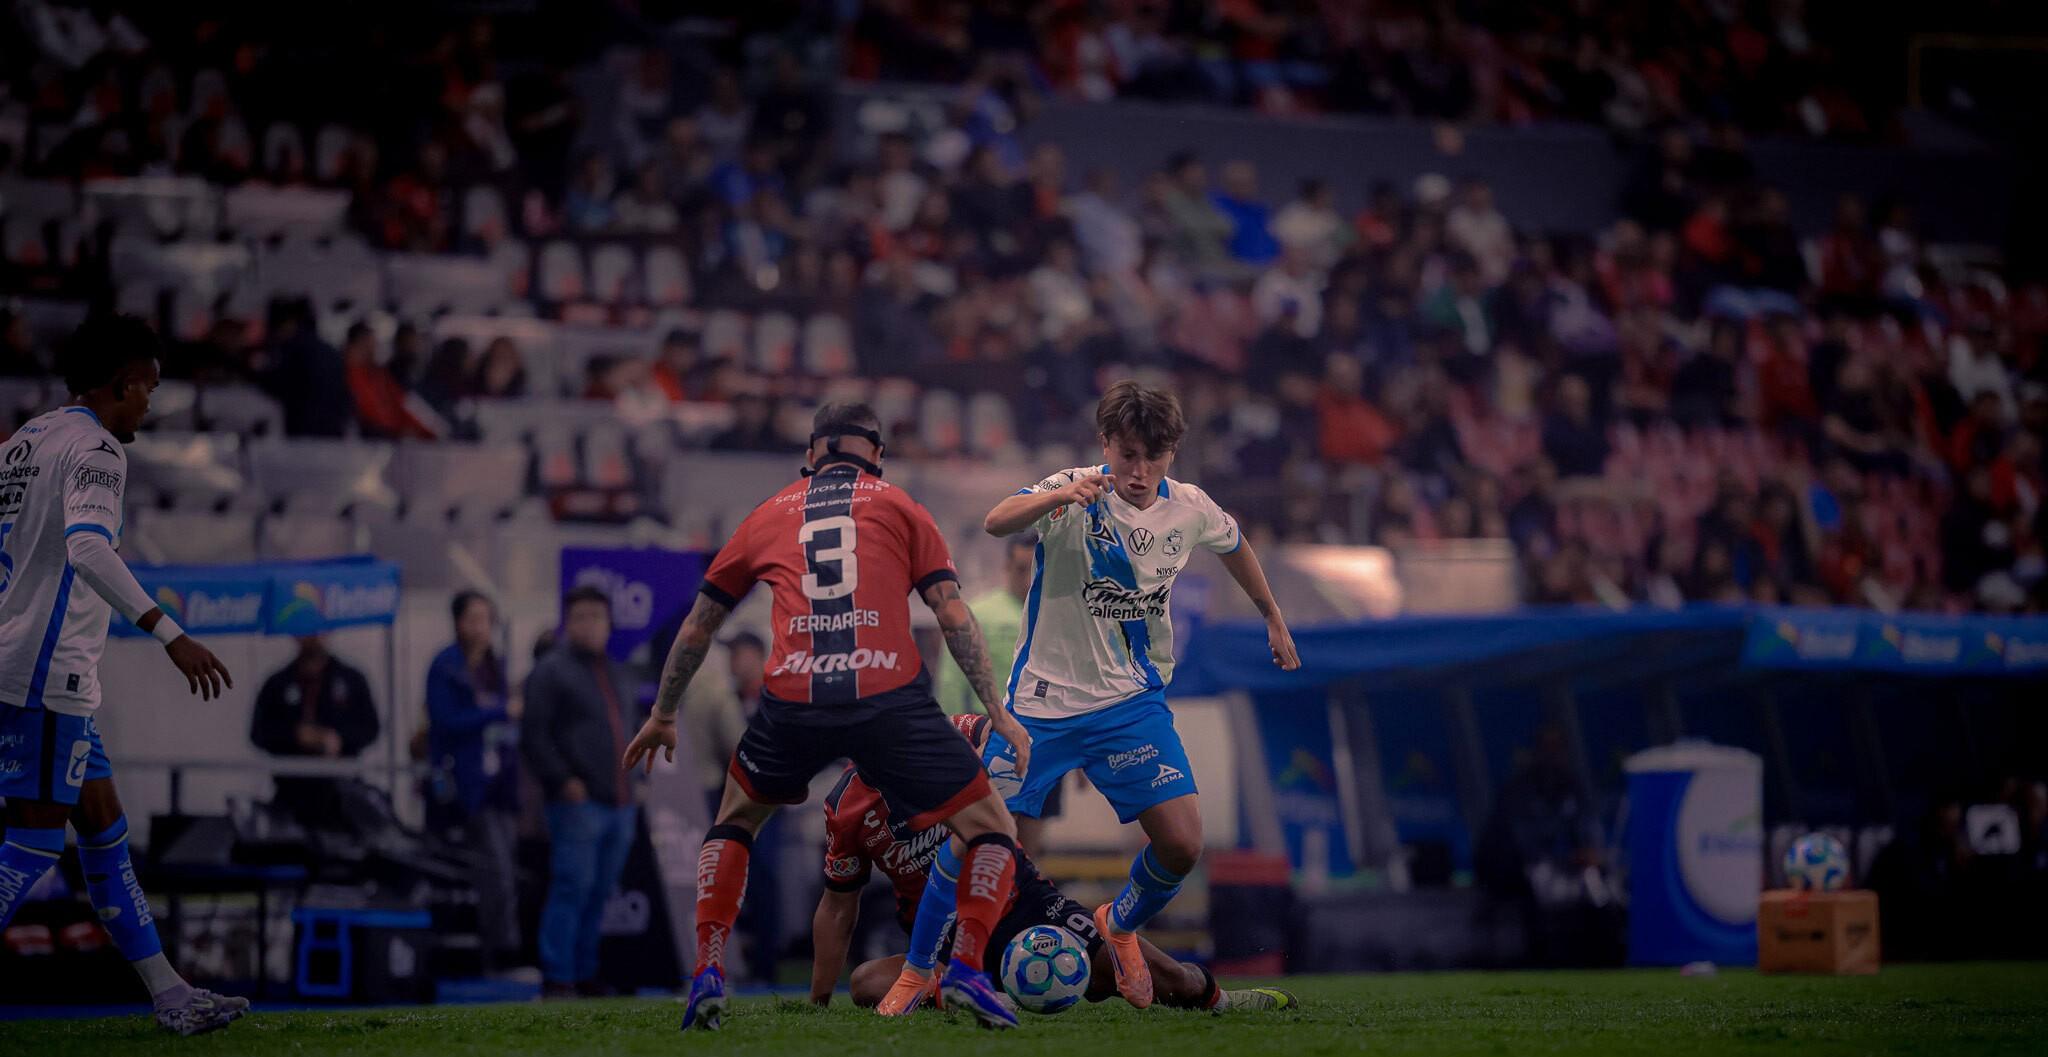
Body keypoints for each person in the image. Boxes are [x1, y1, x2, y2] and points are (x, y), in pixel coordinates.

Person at [621, 403, 1036, 1030]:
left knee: (734, 821)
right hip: (890, 696)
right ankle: (969, 974)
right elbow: (952, 614)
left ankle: (707, 971)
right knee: (992, 829)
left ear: (812, 455)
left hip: (793, 699)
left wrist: (663, 712)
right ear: (876, 455)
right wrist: (996, 710)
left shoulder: (767, 513)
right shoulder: (901, 506)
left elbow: (700, 625)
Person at [977, 380, 1300, 1008]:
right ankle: (945, 972)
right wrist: (1059, 496)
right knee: (989, 849)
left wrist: (1272, 615)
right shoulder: (1075, 488)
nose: (1139, 471)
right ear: (1106, 446)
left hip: (1129, 704)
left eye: (1153, 458)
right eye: (1127, 455)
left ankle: (1117, 925)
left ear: (1172, 453)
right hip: (1041, 707)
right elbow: (995, 522)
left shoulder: (1192, 507)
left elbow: (1235, 546)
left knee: (1182, 843)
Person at [0, 314, 246, 1035]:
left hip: (37, 666)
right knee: (35, 844)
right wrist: (171, 634)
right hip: (46, 675)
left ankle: (171, 996)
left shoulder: (24, 441)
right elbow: (89, 548)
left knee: (104, 831)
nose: (150, 403)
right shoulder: (98, 449)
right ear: (124, 381)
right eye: (150, 387)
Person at [813, 713, 1298, 1015]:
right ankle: (972, 991)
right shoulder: (843, 807)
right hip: (938, 938)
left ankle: (1218, 999)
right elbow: (839, 907)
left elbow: (1001, 729)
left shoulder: (941, 738)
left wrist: (1069, 752)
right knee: (866, 982)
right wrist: (817, 1001)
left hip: (1025, 905)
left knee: (1161, 981)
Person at [521, 586, 642, 999]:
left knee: (599, 892)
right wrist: (562, 781)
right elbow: (533, 736)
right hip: (578, 802)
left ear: (609, 623)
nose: (590, 624)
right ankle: (557, 976)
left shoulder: (617, 671)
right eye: (581, 616)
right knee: (571, 888)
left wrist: (635, 784)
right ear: (567, 622)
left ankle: (585, 971)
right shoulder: (551, 671)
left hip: (619, 803)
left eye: (597, 616)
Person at [424, 590, 521, 971]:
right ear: (458, 622)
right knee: (494, 871)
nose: (481, 627)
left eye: (486, 618)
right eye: (473, 618)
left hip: (500, 784)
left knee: (505, 870)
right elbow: (445, 721)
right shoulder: (445, 666)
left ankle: (497, 951)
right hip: (463, 785)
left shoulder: (495, 666)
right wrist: (498, 712)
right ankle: (501, 954)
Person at [247, 634, 382, 829]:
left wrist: (339, 739)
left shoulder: (351, 679)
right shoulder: (277, 683)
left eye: (319, 630)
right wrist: (295, 736)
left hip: (342, 795)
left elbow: (370, 729)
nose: (314, 637)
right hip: (291, 794)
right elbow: (259, 733)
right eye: (306, 631)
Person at [934, 535, 1035, 717]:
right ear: (1008, 566)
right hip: (990, 723)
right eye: (1021, 570)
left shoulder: (1056, 617)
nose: (1028, 580)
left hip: (1045, 723)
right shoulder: (979, 613)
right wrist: (954, 730)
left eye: (1035, 571)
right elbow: (952, 679)